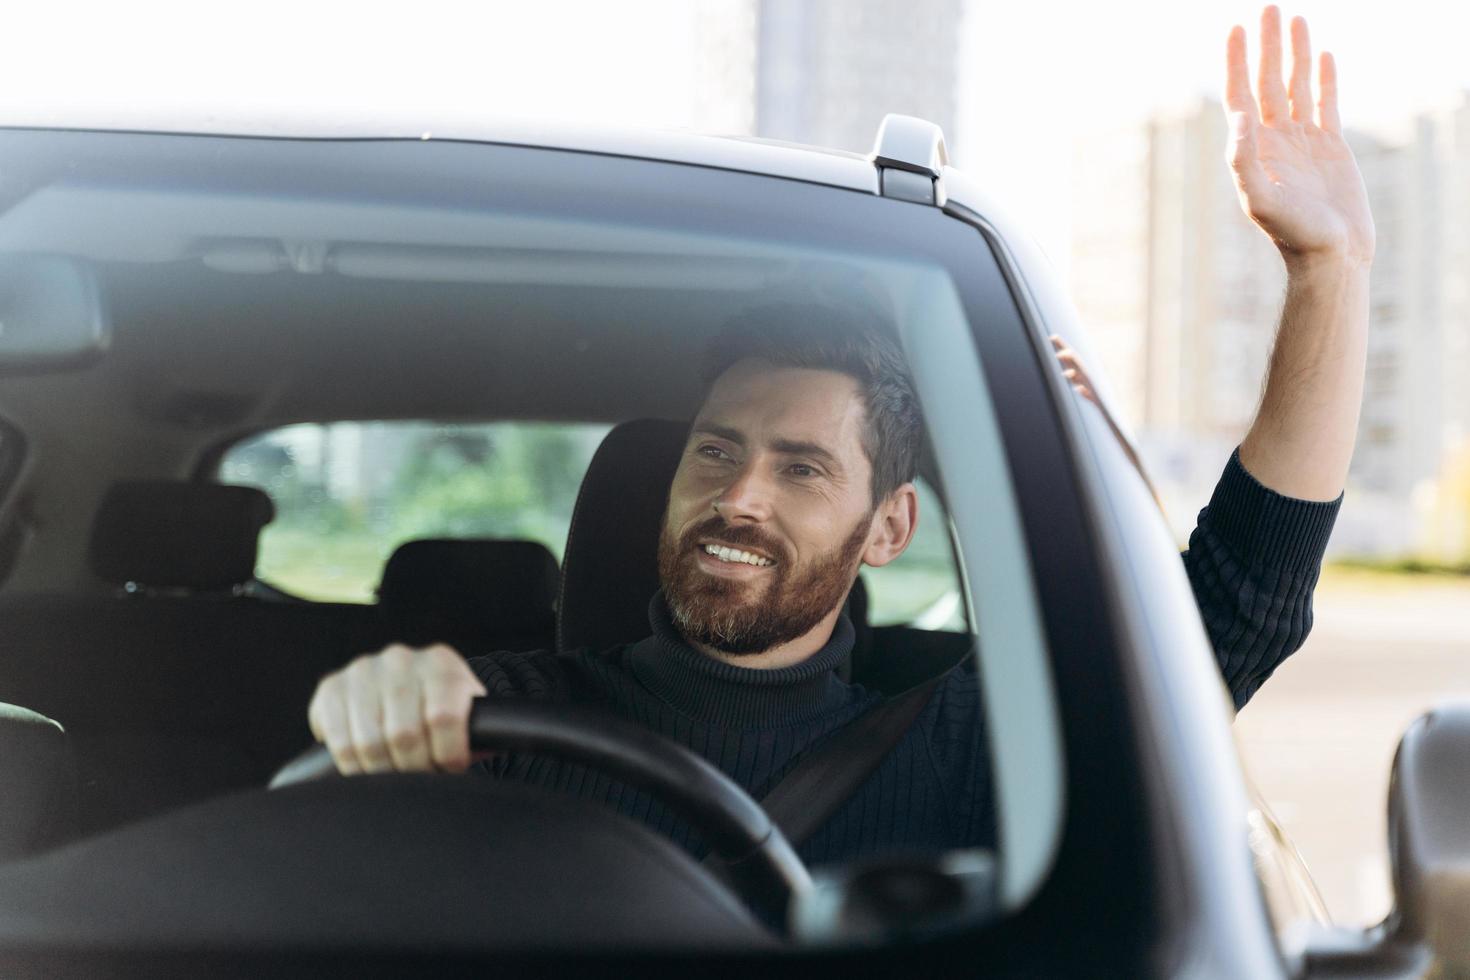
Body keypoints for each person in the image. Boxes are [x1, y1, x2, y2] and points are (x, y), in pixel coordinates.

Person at [307, 5, 1372, 864]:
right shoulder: (496, 723)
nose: (740, 496)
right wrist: (372, 705)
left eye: (803, 466)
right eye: (717, 448)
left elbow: (1240, 602)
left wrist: (1328, 272)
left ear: (888, 526)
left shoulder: (967, 748)